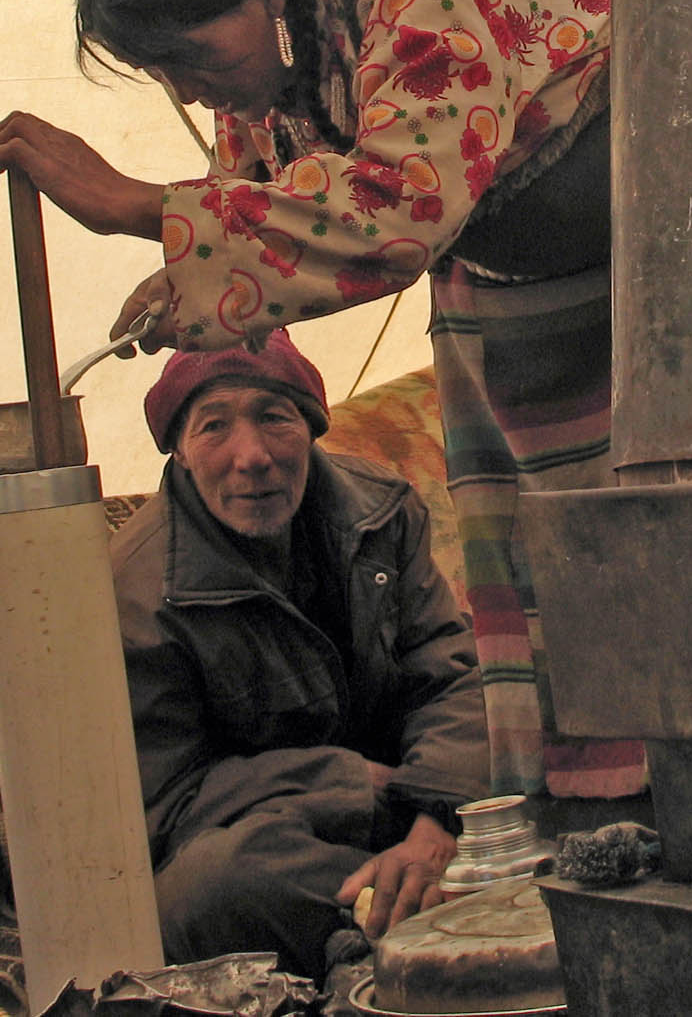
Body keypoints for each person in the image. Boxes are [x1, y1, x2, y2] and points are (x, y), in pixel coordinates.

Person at [0, 0, 692, 803]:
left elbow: (399, 207)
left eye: (193, 57)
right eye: (161, 72)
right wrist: (178, 286)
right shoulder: (269, 97)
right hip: (532, 261)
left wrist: (134, 203)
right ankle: (616, 804)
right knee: (565, 567)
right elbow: (260, 215)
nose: (187, 91)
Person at [109, 329, 489, 976]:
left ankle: (408, 915)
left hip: (412, 809)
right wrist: (342, 784)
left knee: (545, 721)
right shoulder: (140, 591)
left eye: (274, 417)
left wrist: (431, 822)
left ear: (312, 425)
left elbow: (448, 676)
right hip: (278, 847)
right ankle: (422, 923)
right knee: (207, 887)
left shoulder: (381, 514)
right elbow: (165, 803)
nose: (251, 454)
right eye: (214, 427)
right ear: (178, 446)